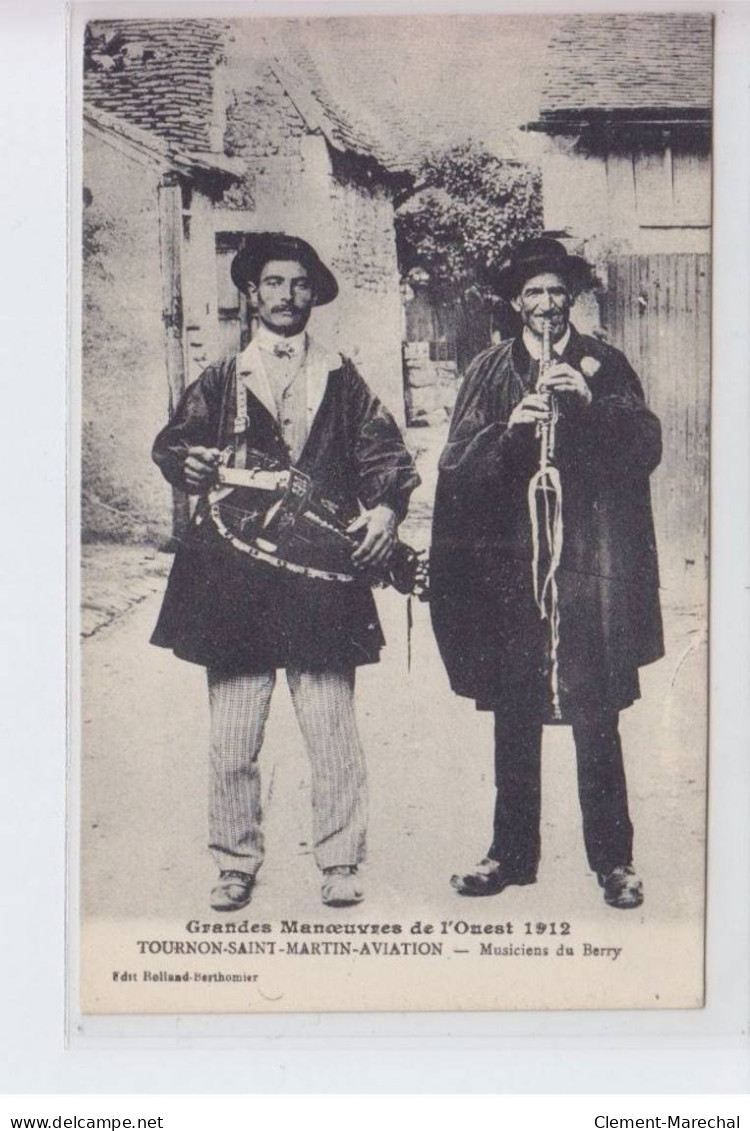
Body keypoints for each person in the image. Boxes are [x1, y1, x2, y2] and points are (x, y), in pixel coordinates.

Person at [151, 232, 419, 911]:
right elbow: (175, 443)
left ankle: (338, 861)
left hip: (319, 572)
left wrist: (386, 511)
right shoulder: (221, 377)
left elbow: (384, 456)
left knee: (331, 731)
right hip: (232, 576)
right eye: (273, 283)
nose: (287, 296)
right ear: (252, 293)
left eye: (299, 285)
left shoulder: (341, 375)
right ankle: (235, 860)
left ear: (313, 296)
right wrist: (188, 463)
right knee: (233, 737)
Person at [429, 237, 663, 910]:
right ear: (514, 302)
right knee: (514, 710)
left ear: (573, 299)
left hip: (588, 568)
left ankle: (614, 861)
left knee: (596, 711)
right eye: (533, 293)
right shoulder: (488, 370)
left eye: (558, 291)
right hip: (511, 569)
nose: (546, 304)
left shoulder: (604, 364)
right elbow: (455, 465)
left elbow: (644, 446)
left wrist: (589, 402)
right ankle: (509, 854)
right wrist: (508, 432)